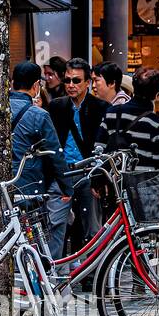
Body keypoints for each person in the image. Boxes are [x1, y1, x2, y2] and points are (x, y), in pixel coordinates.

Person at [9, 61, 73, 259]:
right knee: (33, 240)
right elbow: (55, 154)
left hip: (3, 185)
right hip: (29, 187)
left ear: (12, 83)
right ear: (36, 86)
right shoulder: (39, 115)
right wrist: (67, 188)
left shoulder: (0, 111)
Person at [48, 58, 110, 249]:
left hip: (89, 172)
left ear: (87, 82)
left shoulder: (101, 108)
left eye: (76, 80)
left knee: (92, 227)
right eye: (67, 80)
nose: (71, 85)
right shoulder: (57, 106)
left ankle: (93, 274)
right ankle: (55, 272)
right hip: (62, 173)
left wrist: (100, 179)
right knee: (56, 224)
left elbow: (105, 145)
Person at [102, 67, 159, 173]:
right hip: (143, 185)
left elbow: (99, 149)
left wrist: (97, 182)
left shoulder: (111, 112)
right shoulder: (156, 123)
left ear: (134, 87)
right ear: (156, 94)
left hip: (115, 183)